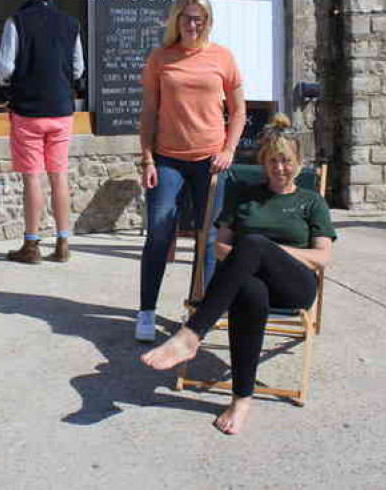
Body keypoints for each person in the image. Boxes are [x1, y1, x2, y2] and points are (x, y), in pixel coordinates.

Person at [141, 114, 336, 435]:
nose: (280, 167)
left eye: (286, 160)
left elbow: (321, 257)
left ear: (299, 162)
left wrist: (268, 252)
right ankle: (241, 400)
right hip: (249, 280)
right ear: (263, 161)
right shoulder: (246, 195)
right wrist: (253, 256)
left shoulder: (311, 201)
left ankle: (191, 334)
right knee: (249, 292)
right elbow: (220, 248)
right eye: (273, 160)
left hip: (295, 285)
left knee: (254, 244)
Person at [136, 0, 247, 342]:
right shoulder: (161, 58)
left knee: (209, 237)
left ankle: (201, 311)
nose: (193, 24)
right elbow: (149, 112)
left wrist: (229, 149)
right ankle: (146, 312)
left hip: (211, 160)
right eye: (187, 17)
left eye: (200, 18)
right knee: (158, 233)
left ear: (208, 21)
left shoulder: (223, 58)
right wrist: (147, 158)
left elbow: (240, 110)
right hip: (168, 159)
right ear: (176, 20)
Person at [0, 0, 84, 264]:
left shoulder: (16, 21)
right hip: (61, 111)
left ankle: (31, 246)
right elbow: (78, 69)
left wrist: (12, 88)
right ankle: (62, 243)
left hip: (28, 111)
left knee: (32, 177)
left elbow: (5, 68)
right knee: (59, 176)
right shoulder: (70, 24)